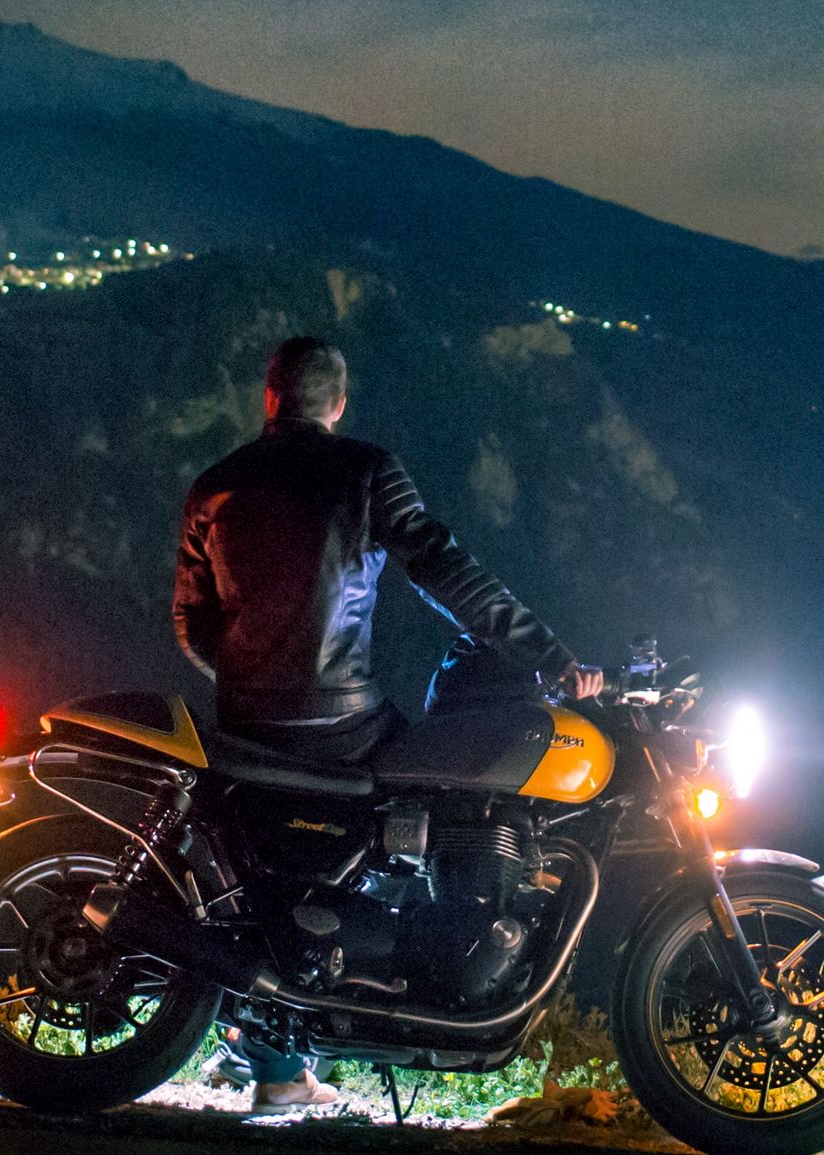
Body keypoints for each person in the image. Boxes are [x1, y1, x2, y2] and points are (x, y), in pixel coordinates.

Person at [171, 333, 598, 1110]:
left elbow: (190, 625)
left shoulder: (215, 485)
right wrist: (551, 657)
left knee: (277, 864)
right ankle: (379, 1009)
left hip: (241, 727)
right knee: (442, 803)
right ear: (337, 404)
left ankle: (264, 1049)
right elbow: (446, 571)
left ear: (269, 399)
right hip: (341, 723)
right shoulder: (365, 472)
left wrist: (249, 685)